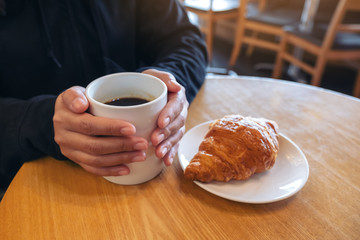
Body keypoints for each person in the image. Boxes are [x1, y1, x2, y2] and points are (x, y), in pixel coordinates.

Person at [0, 0, 207, 196]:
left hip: (155, 178)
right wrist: (40, 121)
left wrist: (170, 83)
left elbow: (184, 40)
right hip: (33, 177)